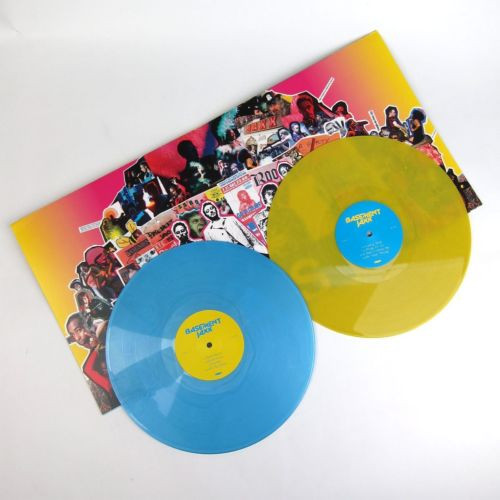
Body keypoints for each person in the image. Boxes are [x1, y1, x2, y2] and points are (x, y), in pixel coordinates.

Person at [201, 202, 267, 253]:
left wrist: (256, 245)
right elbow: (214, 250)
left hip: (248, 249)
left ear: (215, 209)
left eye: (211, 208)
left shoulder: (231, 219)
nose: (211, 211)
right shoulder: (208, 232)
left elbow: (247, 232)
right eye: (207, 211)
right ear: (206, 215)